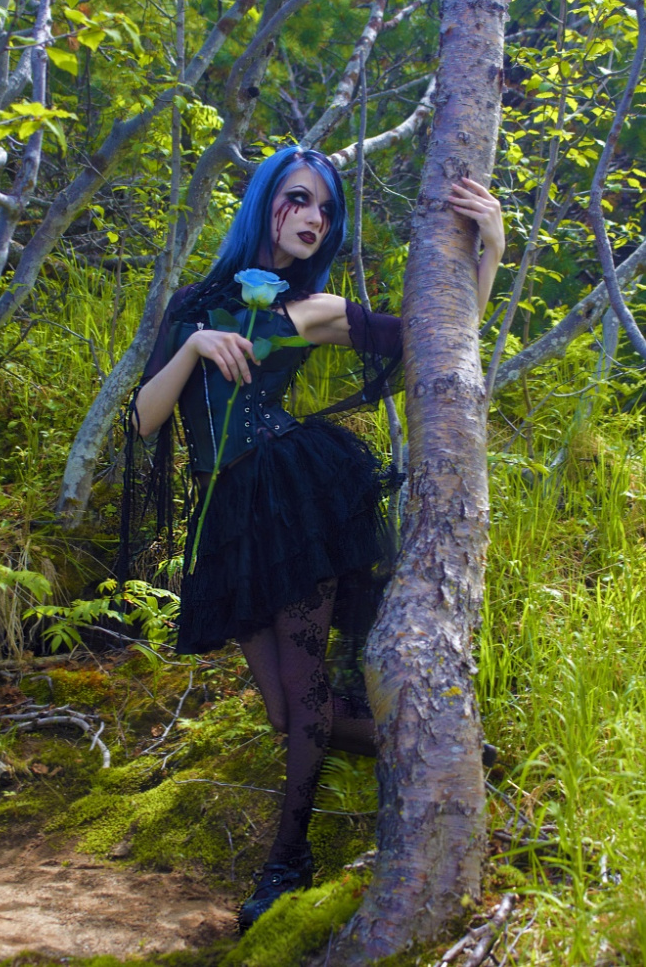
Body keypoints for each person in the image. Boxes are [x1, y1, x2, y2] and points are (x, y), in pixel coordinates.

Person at [131, 146, 504, 931]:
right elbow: (144, 418)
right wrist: (194, 347)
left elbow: (439, 339)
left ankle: (285, 862)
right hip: (228, 520)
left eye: (326, 210)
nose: (312, 218)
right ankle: (457, 758)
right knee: (287, 712)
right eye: (298, 199)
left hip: (295, 499)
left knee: (304, 694)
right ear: (264, 201)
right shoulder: (194, 305)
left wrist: (491, 251)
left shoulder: (314, 311)